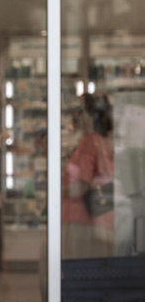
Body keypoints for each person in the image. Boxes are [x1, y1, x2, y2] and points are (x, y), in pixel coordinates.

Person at [61, 93, 114, 260]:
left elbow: (80, 186)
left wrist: (59, 192)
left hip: (80, 219)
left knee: (76, 269)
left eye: (79, 112)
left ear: (93, 115)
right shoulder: (104, 142)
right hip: (100, 220)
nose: (75, 117)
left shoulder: (89, 142)